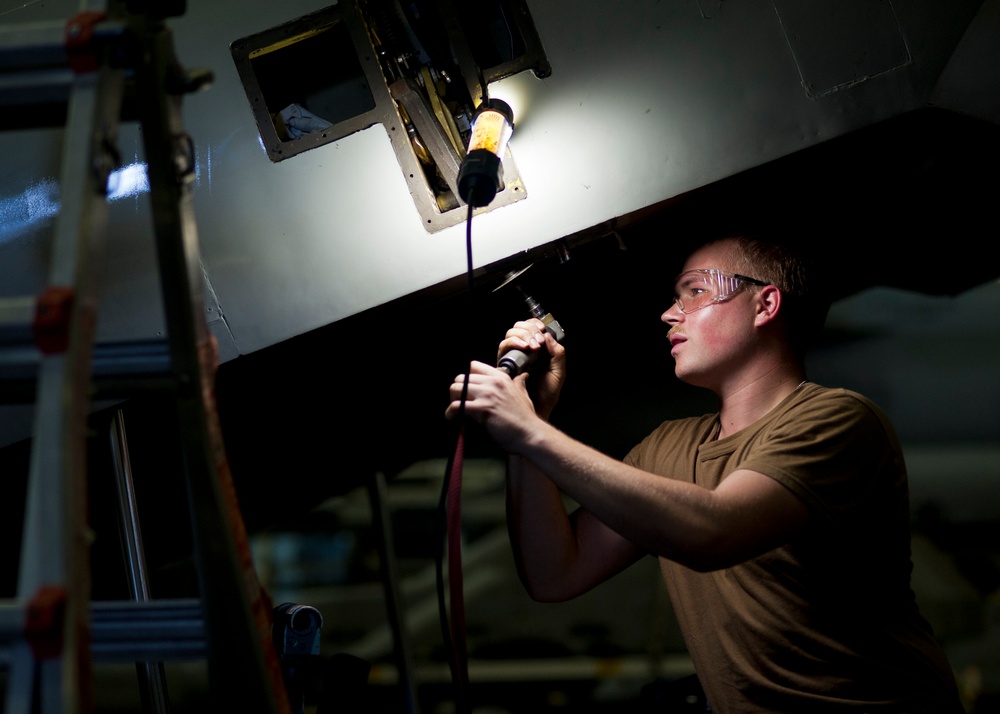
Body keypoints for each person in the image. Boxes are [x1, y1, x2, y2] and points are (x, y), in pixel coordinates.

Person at [445, 234, 964, 713]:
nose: (670, 314)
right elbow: (555, 573)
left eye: (694, 292)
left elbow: (715, 531)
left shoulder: (838, 421)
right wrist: (531, 422)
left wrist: (529, 434)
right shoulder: (669, 446)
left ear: (765, 304)